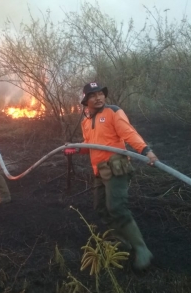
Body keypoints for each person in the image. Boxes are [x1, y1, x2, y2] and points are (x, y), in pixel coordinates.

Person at [64, 82, 158, 270]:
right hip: (99, 170)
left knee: (116, 207)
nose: (98, 98)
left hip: (116, 167)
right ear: (85, 100)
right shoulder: (85, 120)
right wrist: (76, 148)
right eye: (93, 95)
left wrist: (146, 150)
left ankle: (142, 249)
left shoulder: (113, 112)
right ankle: (123, 241)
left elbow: (128, 132)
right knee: (100, 207)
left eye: (100, 94)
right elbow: (91, 144)